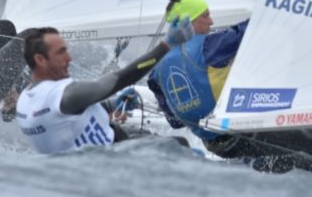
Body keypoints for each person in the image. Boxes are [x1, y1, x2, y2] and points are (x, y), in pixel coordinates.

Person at [148, 0, 312, 176]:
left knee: (286, 145)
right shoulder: (209, 47)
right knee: (308, 134)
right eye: (206, 16)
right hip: (241, 129)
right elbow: (250, 29)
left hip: (219, 145)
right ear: (190, 21)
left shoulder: (157, 68)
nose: (211, 21)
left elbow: (175, 122)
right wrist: (280, 0)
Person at [15, 17, 193, 154]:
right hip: (113, 157)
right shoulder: (67, 95)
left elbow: (67, 120)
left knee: (148, 135)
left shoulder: (26, 99)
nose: (69, 58)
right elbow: (123, 78)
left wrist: (111, 104)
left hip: (98, 151)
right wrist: (166, 45)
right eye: (61, 52)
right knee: (179, 146)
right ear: (40, 59)